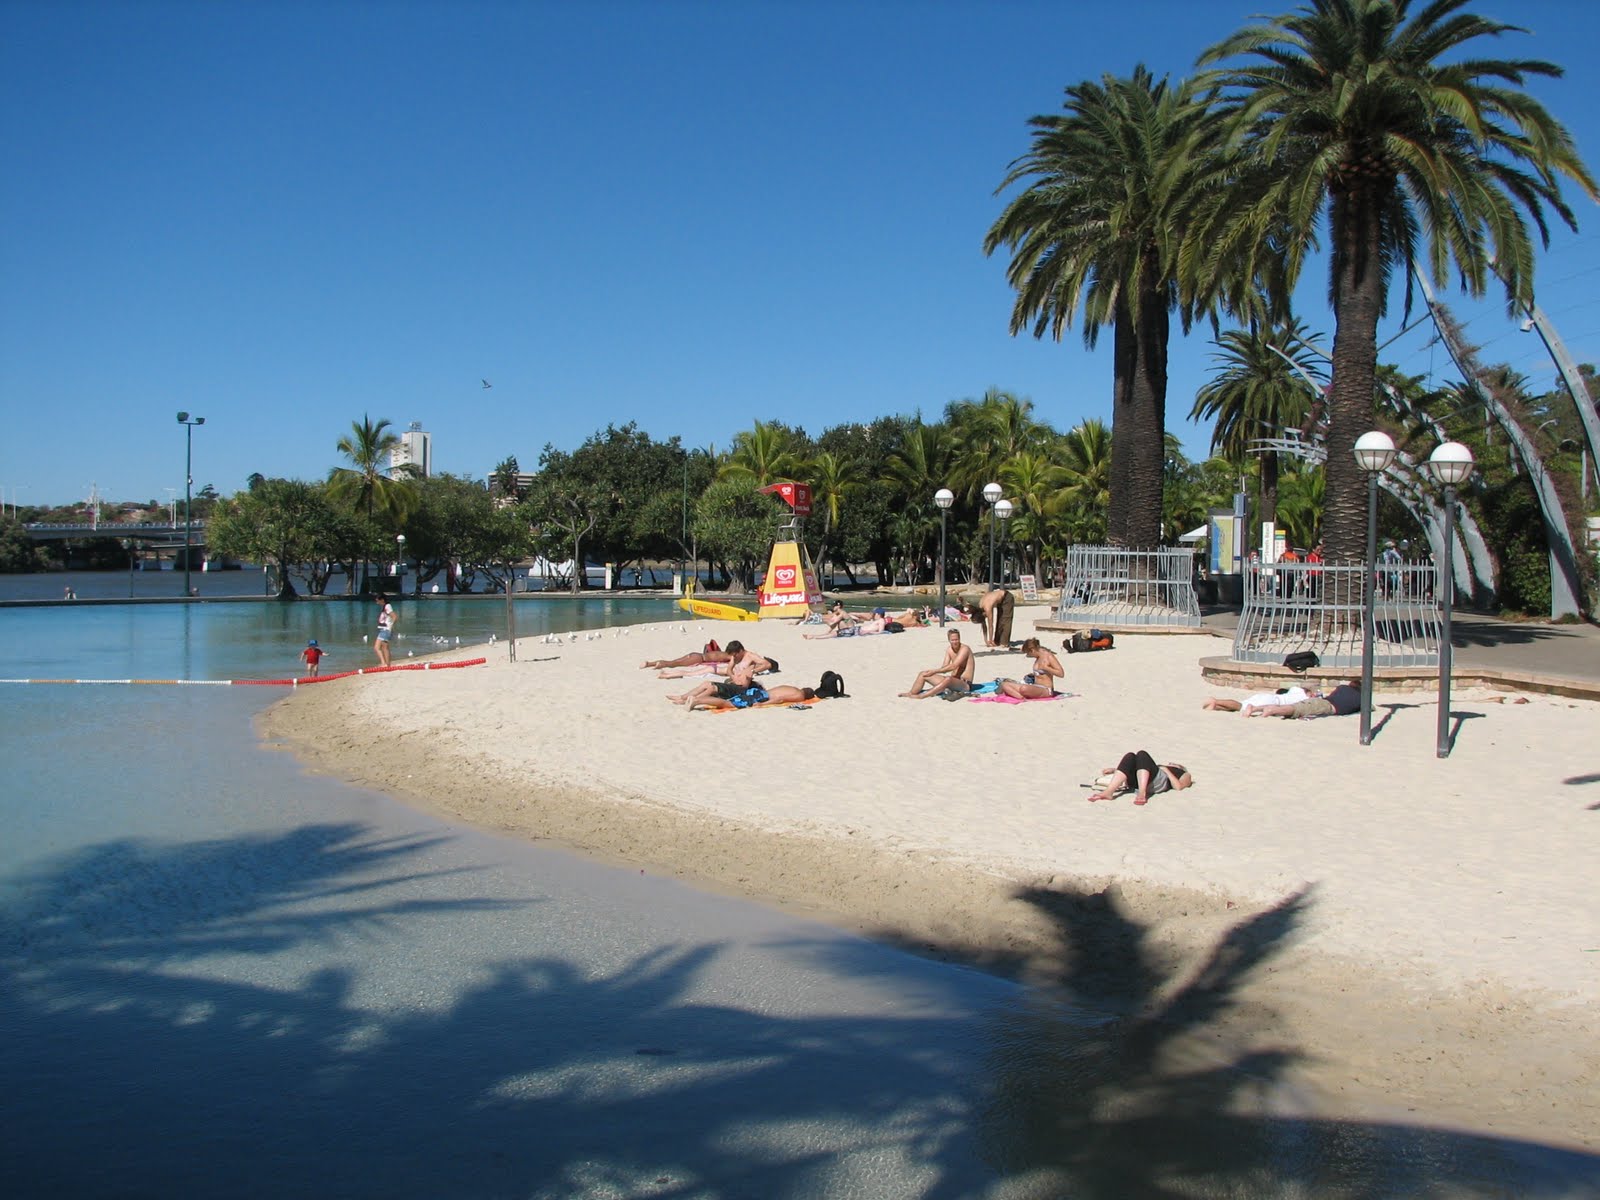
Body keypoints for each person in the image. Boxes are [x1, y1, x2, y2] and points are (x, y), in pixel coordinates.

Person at [1086, 752, 1193, 805]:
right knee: (1131, 756)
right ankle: (1109, 792)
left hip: (1157, 782)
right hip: (1139, 780)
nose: (1171, 763)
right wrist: (1115, 770)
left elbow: (1178, 787)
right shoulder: (1157, 767)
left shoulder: (1184, 773)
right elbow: (1141, 768)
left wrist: (1167, 770)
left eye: (1174, 764)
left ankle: (1142, 793)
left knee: (1142, 754)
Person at [900, 628, 976, 699]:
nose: (955, 642)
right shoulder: (949, 650)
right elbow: (944, 667)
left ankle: (923, 696)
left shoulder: (965, 649)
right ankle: (911, 693)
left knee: (948, 679)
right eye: (952, 640)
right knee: (923, 674)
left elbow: (953, 666)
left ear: (959, 639)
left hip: (964, 684)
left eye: (956, 639)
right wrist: (932, 672)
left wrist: (935, 671)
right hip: (952, 682)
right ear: (949, 640)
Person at [1249, 682, 1362, 719]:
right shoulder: (1360, 699)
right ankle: (1271, 711)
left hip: (1322, 701)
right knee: (1297, 709)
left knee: (1296, 705)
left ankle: (1255, 708)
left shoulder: (1342, 688)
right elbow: (1369, 707)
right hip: (1326, 707)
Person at [687, 684, 818, 712]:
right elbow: (779, 700)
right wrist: (762, 704)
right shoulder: (799, 696)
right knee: (728, 704)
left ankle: (696, 700)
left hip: (756, 691)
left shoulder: (792, 687)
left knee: (729, 701)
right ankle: (697, 700)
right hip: (761, 696)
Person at [642, 641, 744, 670]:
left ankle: (650, 663)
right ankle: (660, 664)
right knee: (674, 664)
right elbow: (735, 663)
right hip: (699, 658)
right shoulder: (731, 656)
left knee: (674, 661)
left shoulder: (723, 653)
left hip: (696, 654)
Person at [1201, 685, 1308, 713]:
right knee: (1241, 706)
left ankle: (1216, 706)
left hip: (1268, 697)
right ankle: (1216, 701)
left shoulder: (1294, 689)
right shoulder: (1304, 697)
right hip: (1272, 702)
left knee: (1240, 705)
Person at [374, 596, 397, 667]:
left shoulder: (387, 606)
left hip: (385, 630)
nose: (377, 603)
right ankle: (384, 663)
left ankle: (387, 664)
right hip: (382, 629)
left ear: (382, 600)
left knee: (385, 647)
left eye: (378, 601)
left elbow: (394, 616)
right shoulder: (385, 607)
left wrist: (390, 626)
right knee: (376, 647)